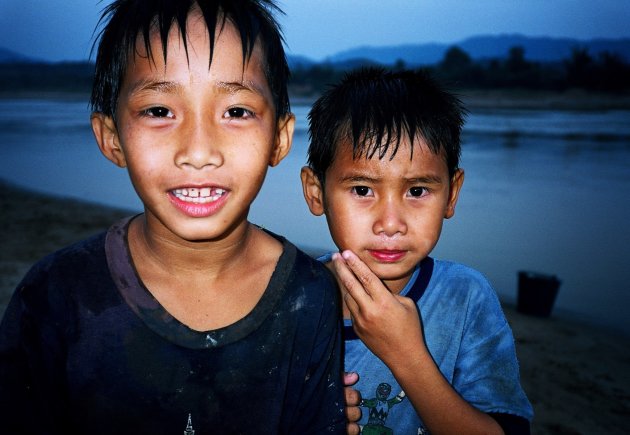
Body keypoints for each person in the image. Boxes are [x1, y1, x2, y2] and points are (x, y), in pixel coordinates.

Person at [0, 1, 345, 433]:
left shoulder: (311, 296)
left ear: (279, 139)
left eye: (236, 112)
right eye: (159, 111)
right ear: (112, 139)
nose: (199, 152)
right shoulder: (56, 295)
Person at [301, 67, 533, 434]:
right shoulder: (289, 301)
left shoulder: (465, 298)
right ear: (316, 193)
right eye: (362, 190)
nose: (391, 223)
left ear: (451, 194)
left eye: (417, 191)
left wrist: (406, 355)